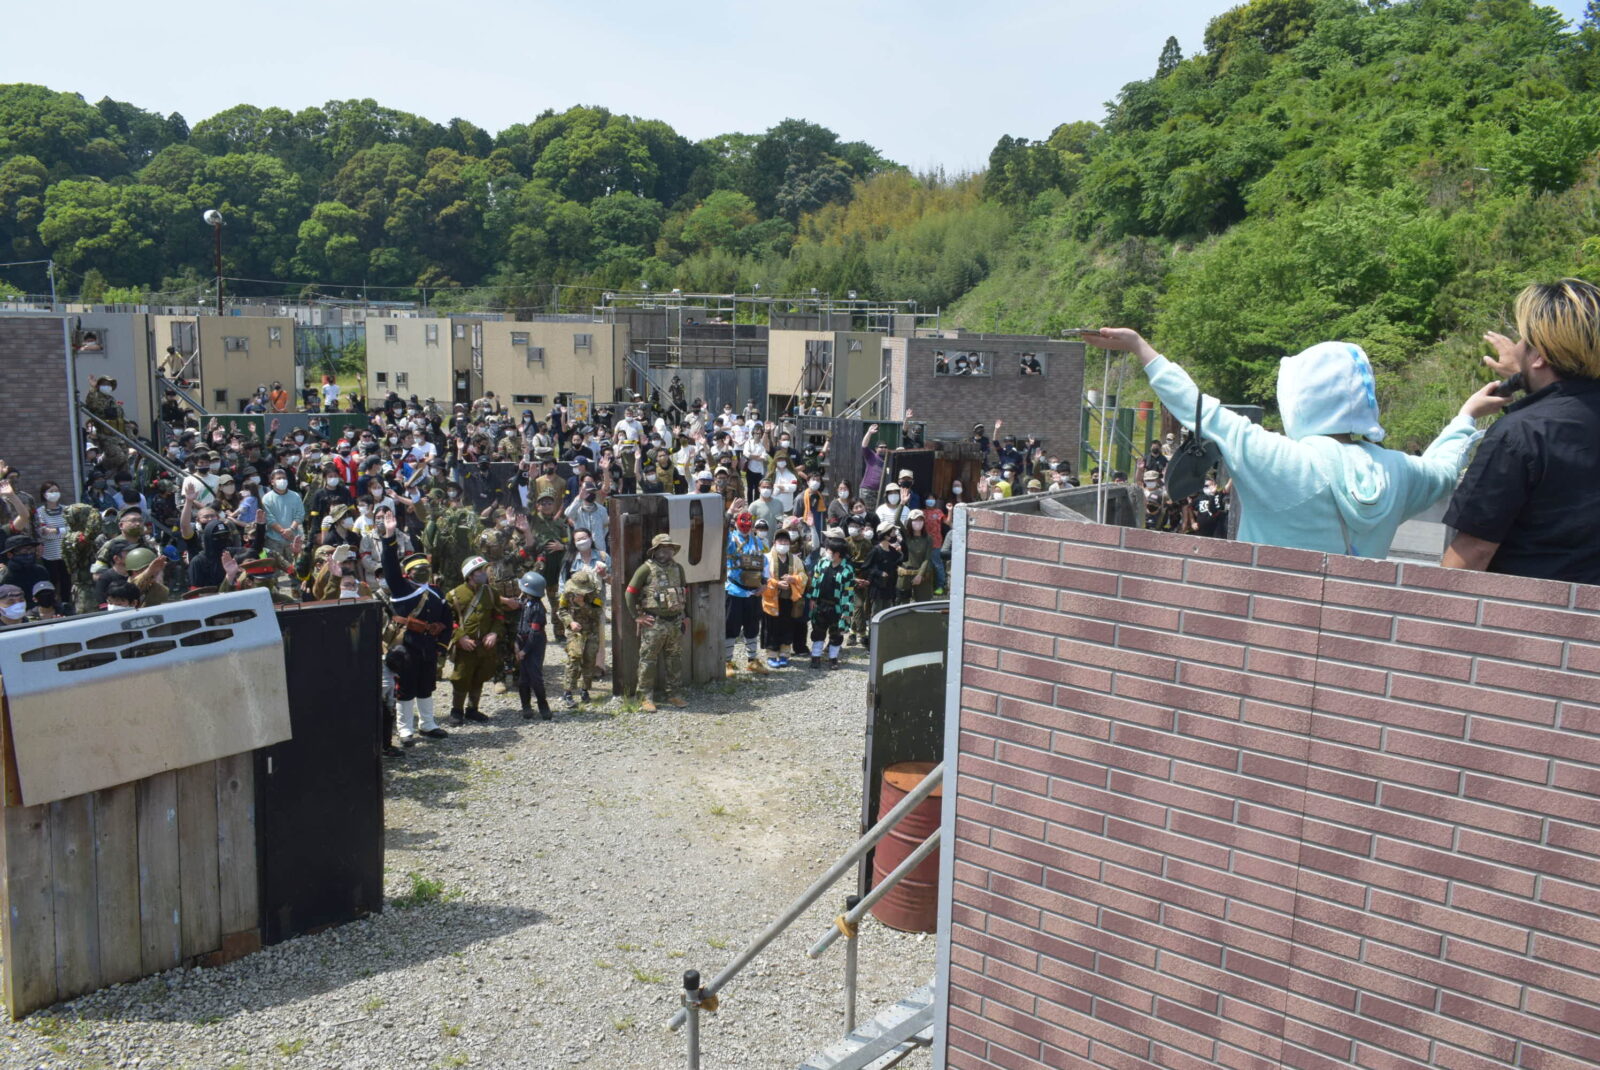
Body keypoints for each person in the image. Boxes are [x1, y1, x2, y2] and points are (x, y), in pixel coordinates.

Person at [1080, 328, 1505, 558]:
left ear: (1299, 399)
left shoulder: (1276, 458)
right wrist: (1465, 416)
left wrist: (1141, 348)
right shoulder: (1399, 471)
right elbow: (1443, 471)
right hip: (1355, 628)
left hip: (1271, 623)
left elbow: (1199, 408)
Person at [1442, 279, 1600, 582]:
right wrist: (1525, 375)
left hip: (1532, 606)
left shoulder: (1520, 434)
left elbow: (1473, 551)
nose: (1515, 347)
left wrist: (1436, 609)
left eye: (1522, 340)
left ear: (1540, 355)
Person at [380, 514, 451, 742]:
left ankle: (427, 724)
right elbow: (389, 565)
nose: (422, 570)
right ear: (408, 572)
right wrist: (389, 536)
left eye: (424, 567)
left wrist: (441, 646)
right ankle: (405, 728)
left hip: (429, 646)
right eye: (417, 568)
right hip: (407, 646)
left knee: (426, 685)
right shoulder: (401, 588)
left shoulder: (436, 592)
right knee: (406, 687)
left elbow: (447, 620)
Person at [625, 533, 689, 711]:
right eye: (662, 548)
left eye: (669, 548)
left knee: (674, 659)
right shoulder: (645, 569)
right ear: (655, 551)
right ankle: (645, 697)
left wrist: (687, 616)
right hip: (654, 623)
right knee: (648, 660)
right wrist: (636, 617)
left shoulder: (679, 569)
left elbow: (685, 592)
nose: (666, 551)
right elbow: (630, 593)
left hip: (675, 621)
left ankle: (674, 694)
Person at [446, 555, 504, 726]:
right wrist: (460, 637)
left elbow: (499, 616)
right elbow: (448, 621)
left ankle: (473, 709)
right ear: (470, 574)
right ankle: (456, 710)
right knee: (461, 677)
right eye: (480, 571)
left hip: (485, 647)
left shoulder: (492, 593)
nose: (485, 574)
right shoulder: (454, 595)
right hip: (465, 647)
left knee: (480, 675)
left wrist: (494, 633)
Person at [724, 511, 770, 677]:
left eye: (748, 526)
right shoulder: (730, 539)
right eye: (742, 525)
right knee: (731, 627)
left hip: (753, 592)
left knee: (752, 627)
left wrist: (765, 584)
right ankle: (727, 662)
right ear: (736, 524)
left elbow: (765, 563)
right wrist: (729, 513)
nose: (744, 529)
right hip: (734, 590)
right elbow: (721, 534)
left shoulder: (757, 542)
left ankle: (752, 660)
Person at [807, 532, 856, 669]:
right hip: (820, 604)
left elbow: (848, 592)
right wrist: (812, 599)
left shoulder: (847, 570)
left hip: (837, 607)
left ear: (837, 554)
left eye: (829, 550)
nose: (827, 552)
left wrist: (846, 611)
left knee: (836, 634)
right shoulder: (822, 563)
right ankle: (815, 656)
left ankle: (833, 658)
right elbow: (815, 582)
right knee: (818, 631)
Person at [761, 528, 808, 668]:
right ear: (774, 542)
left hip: (789, 599)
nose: (783, 543)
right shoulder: (766, 558)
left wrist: (794, 579)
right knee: (771, 627)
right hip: (772, 599)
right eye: (780, 540)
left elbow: (804, 576)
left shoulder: (795, 559)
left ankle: (784, 654)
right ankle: (772, 655)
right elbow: (761, 578)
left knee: (787, 626)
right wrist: (776, 584)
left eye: (786, 541)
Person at [558, 570, 604, 708]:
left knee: (589, 660)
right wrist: (570, 622)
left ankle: (585, 690)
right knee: (574, 658)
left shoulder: (594, 594)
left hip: (591, 632)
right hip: (575, 633)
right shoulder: (567, 594)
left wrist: (583, 605)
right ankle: (568, 692)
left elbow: (597, 613)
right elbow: (561, 611)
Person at [514, 571, 554, 721]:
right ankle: (526, 706)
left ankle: (543, 706)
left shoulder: (538, 608)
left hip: (534, 645)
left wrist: (524, 651)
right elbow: (518, 625)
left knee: (535, 677)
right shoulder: (525, 603)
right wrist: (516, 644)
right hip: (522, 642)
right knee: (523, 679)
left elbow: (535, 633)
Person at [862, 522, 902, 646]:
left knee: (886, 614)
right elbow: (866, 567)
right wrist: (879, 573)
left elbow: (902, 560)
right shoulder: (875, 550)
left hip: (889, 588)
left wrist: (903, 547)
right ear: (886, 534)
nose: (894, 534)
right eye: (892, 532)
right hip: (877, 589)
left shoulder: (892, 551)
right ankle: (872, 642)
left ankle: (884, 641)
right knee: (876, 615)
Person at [898, 509, 936, 604]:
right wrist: (901, 504)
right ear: (910, 521)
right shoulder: (906, 536)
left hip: (921, 574)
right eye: (915, 520)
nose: (918, 522)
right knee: (902, 603)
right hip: (906, 574)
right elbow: (896, 520)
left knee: (923, 603)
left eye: (920, 520)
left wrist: (920, 575)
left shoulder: (928, 538)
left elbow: (927, 558)